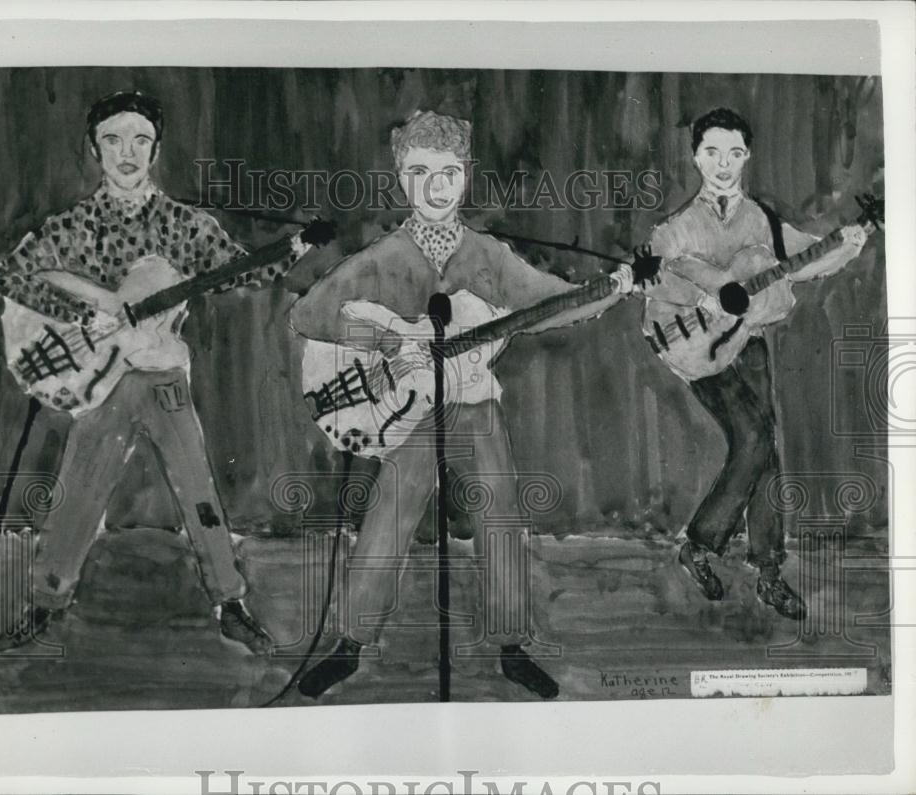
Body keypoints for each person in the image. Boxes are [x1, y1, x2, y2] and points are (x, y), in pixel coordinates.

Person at [288, 110, 634, 699]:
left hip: (473, 404)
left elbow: (550, 301)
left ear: (465, 177)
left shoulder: (488, 255)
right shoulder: (381, 257)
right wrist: (387, 341)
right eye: (420, 172)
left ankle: (511, 646)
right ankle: (350, 643)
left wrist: (611, 291)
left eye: (448, 172)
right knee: (387, 517)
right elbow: (308, 315)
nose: (436, 186)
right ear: (401, 179)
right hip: (411, 412)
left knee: (500, 513)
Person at [0, 90, 305, 653]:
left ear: (156, 150)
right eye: (113, 139)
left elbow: (239, 271)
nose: (127, 152)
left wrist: (295, 248)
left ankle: (229, 601)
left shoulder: (183, 225)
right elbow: (11, 275)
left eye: (140, 139)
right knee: (78, 490)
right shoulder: (74, 227)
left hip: (163, 379)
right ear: (94, 149)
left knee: (199, 488)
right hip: (102, 382)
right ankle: (45, 602)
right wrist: (87, 311)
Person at [642, 107, 867, 620]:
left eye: (735, 153)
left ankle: (768, 572)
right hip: (701, 349)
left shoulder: (761, 218)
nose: (724, 163)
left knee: (766, 450)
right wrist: (704, 293)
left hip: (751, 343)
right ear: (696, 156)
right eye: (713, 152)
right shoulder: (676, 227)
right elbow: (653, 280)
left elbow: (805, 258)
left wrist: (847, 247)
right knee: (755, 437)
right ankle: (700, 544)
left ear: (748, 156)